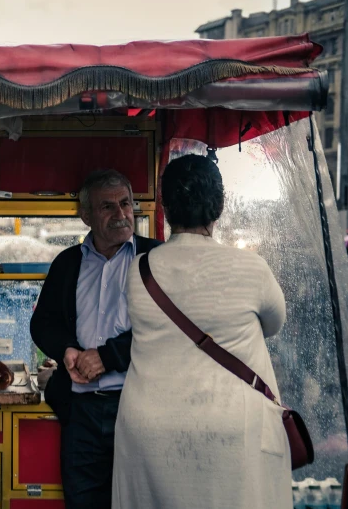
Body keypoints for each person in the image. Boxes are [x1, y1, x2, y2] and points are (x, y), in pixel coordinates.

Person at [112, 154, 290, 508]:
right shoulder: (252, 268)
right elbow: (274, 324)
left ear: (165, 208)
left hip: (150, 429)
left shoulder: (139, 270)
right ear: (219, 206)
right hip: (233, 427)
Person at [30, 170, 161, 509]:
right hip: (81, 412)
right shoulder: (68, 263)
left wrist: (109, 356)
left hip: (138, 407)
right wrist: (68, 351)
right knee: (83, 502)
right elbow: (42, 323)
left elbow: (166, 331)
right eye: (107, 207)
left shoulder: (155, 259)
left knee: (140, 502)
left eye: (126, 204)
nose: (121, 215)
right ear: (85, 214)